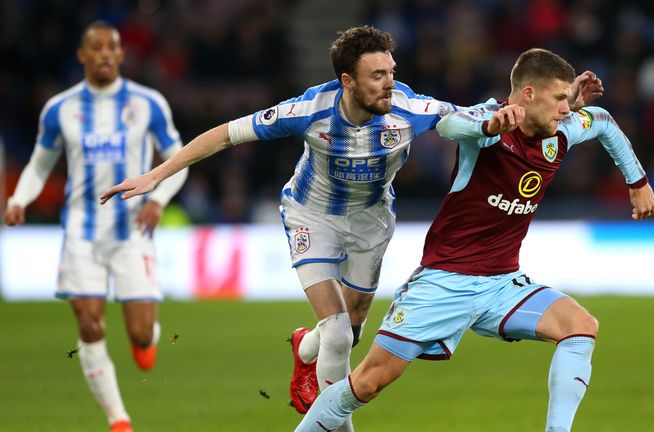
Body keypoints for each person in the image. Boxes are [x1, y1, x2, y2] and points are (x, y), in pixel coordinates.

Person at [100, 26, 601, 430]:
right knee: (339, 332)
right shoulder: (309, 110)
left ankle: (303, 347)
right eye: (377, 75)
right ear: (347, 80)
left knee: (352, 330)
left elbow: (472, 117)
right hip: (312, 217)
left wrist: (528, 115)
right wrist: (156, 175)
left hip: (371, 221)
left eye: (391, 71)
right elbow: (225, 135)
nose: (390, 83)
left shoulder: (409, 108)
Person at [294, 48, 654, 432]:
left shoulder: (560, 131)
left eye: (568, 100)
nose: (567, 109)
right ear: (528, 94)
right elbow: (451, 126)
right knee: (367, 383)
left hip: (502, 283)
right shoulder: (488, 126)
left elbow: (602, 121)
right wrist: (489, 126)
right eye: (560, 99)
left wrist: (638, 182)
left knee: (580, 326)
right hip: (444, 283)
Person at [3, 21, 188, 432]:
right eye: (96, 47)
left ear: (121, 55)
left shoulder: (148, 103)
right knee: (88, 324)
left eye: (112, 47)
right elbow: (40, 163)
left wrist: (157, 199)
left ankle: (145, 340)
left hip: (131, 232)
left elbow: (178, 160)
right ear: (82, 55)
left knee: (140, 335)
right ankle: (118, 420)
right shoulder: (60, 108)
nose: (105, 53)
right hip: (80, 234)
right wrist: (18, 199)